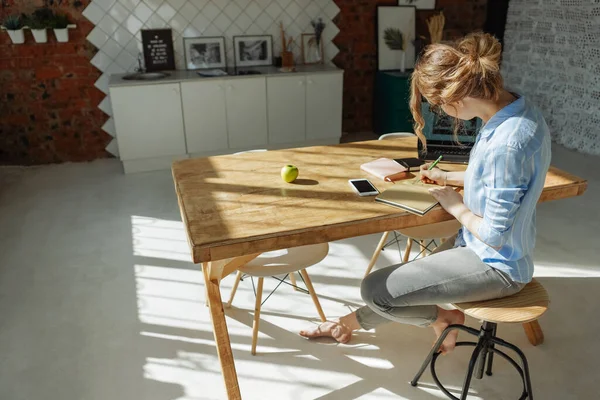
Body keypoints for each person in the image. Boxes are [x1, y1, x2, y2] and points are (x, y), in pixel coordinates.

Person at [300, 32, 552, 354]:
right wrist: (446, 175)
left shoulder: (507, 143)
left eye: (438, 107)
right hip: (481, 247)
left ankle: (444, 318)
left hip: (496, 264)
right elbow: (494, 176)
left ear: (456, 97)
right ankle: (347, 323)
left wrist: (455, 206)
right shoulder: (517, 109)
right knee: (401, 284)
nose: (442, 114)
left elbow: (495, 234)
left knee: (374, 289)